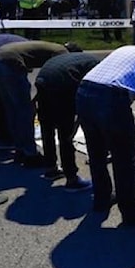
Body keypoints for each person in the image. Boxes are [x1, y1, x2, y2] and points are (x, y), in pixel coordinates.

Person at [76, 46, 135, 224]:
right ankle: (131, 212)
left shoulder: (130, 50)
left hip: (84, 89)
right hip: (111, 95)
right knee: (125, 158)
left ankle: (102, 198)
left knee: (97, 153)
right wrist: (134, 137)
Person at [0, 42, 69, 167]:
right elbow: (50, 78)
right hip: (11, 62)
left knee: (12, 108)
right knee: (25, 111)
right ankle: (30, 154)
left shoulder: (51, 48)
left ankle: (20, 148)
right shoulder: (62, 54)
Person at [35, 50, 97, 191]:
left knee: (47, 126)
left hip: (43, 79)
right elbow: (88, 94)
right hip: (62, 82)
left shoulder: (73, 59)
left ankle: (50, 168)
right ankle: (72, 179)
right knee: (66, 133)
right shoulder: (96, 65)